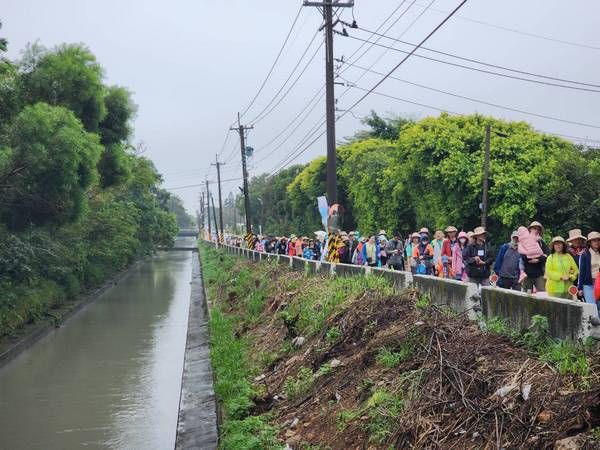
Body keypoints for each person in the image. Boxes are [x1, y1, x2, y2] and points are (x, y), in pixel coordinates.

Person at [520, 221, 549, 293]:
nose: (536, 230)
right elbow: (523, 256)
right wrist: (539, 256)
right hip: (527, 274)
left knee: (542, 294)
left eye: (538, 229)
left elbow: (547, 254)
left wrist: (538, 260)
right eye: (534, 228)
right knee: (526, 296)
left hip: (539, 273)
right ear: (530, 229)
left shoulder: (541, 242)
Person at [578, 231, 600, 309]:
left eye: (598, 240)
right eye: (594, 240)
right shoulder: (585, 254)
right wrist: (580, 288)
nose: (597, 242)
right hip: (589, 284)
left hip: (599, 283)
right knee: (592, 307)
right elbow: (582, 272)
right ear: (590, 242)